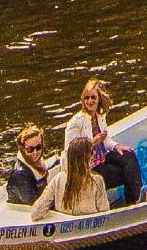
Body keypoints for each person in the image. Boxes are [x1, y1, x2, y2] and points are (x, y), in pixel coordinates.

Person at [59, 76, 142, 206]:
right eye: (87, 98)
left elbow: (105, 139)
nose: (90, 101)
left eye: (93, 97)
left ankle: (136, 199)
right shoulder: (76, 123)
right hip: (86, 166)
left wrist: (116, 146)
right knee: (122, 173)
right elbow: (71, 153)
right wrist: (92, 142)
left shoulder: (99, 116)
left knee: (129, 155)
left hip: (101, 157)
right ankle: (132, 202)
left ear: (99, 99)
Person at [5, 124, 51, 206]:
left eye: (38, 147)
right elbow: (31, 203)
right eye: (30, 149)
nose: (35, 153)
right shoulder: (20, 174)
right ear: (23, 149)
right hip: (23, 211)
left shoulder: (39, 161)